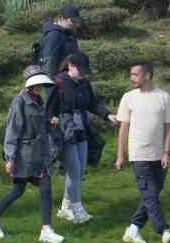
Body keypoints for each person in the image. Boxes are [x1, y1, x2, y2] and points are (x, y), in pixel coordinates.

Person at [0, 69, 64, 243]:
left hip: (39, 154)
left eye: (41, 85)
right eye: (36, 85)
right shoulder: (19, 102)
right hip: (24, 155)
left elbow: (39, 127)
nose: (39, 87)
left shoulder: (39, 101)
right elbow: (12, 131)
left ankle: (45, 229)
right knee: (21, 189)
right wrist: (10, 158)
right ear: (29, 85)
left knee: (41, 187)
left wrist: (49, 123)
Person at [115, 62, 170, 243]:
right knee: (151, 196)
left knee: (150, 196)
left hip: (159, 156)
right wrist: (120, 155)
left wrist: (166, 153)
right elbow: (123, 130)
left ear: (148, 75)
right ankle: (164, 232)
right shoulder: (128, 98)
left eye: (135, 74)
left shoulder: (164, 97)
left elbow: (169, 128)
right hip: (138, 155)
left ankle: (133, 229)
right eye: (131, 74)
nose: (132, 78)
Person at [45, 53, 117, 224]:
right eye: (80, 70)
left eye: (85, 71)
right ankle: (77, 209)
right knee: (74, 170)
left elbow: (92, 103)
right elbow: (48, 110)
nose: (83, 74)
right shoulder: (58, 82)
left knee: (80, 169)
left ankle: (65, 207)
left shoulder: (84, 83)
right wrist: (52, 120)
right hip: (65, 131)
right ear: (70, 65)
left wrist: (107, 115)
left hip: (81, 128)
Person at [37, 5, 81, 84]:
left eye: (76, 21)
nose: (74, 24)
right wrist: (51, 85)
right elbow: (48, 64)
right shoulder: (54, 36)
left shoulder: (69, 34)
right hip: (58, 82)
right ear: (61, 18)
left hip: (70, 80)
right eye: (72, 21)